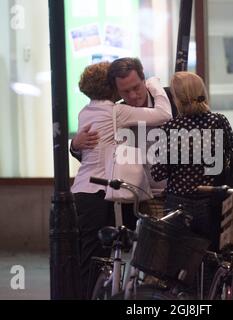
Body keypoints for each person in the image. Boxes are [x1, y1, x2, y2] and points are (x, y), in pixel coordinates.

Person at [71, 61, 172, 299]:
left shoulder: (85, 111)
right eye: (124, 90)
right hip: (105, 190)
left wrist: (74, 144)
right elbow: (163, 115)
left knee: (95, 252)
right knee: (97, 254)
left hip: (94, 189)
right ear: (113, 87)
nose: (132, 95)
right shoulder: (118, 111)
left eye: (137, 87)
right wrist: (74, 144)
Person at [151, 71, 233, 295]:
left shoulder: (170, 128)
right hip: (211, 203)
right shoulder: (218, 122)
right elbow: (231, 154)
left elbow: (159, 172)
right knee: (211, 260)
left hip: (177, 205)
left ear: (177, 100)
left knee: (180, 265)